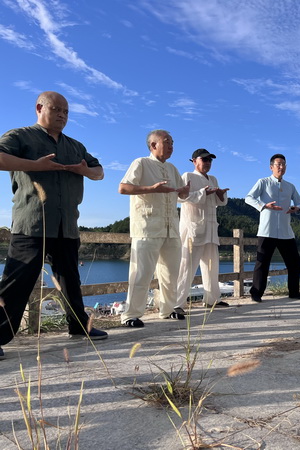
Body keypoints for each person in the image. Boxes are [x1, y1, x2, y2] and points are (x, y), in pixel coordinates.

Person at [0, 91, 107, 360]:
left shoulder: (76, 146)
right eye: (56, 109)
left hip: (67, 224)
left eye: (66, 111)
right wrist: (34, 165)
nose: (62, 115)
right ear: (39, 108)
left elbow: (99, 172)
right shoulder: (20, 136)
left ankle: (80, 326)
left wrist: (84, 170)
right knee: (17, 282)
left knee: (70, 279)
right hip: (32, 223)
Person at [118, 130, 190, 327]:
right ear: (153, 145)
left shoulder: (173, 169)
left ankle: (168, 309)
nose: (171, 146)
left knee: (171, 273)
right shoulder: (141, 163)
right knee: (141, 273)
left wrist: (184, 192)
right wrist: (151, 189)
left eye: (172, 143)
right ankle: (130, 315)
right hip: (147, 227)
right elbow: (123, 188)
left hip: (171, 227)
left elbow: (181, 196)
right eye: (167, 142)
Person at [245, 154, 300, 303]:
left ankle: (294, 292)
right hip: (267, 230)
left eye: (283, 164)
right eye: (278, 164)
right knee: (262, 263)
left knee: (294, 261)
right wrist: (264, 205)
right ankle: (256, 293)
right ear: (271, 167)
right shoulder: (263, 182)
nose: (281, 167)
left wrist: (297, 208)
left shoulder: (290, 186)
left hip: (286, 231)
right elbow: (249, 198)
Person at [175, 149, 229, 311]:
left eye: (210, 160)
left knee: (212, 266)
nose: (207, 162)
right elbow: (179, 197)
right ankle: (177, 303)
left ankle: (212, 299)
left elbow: (220, 202)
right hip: (193, 228)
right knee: (187, 266)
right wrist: (202, 193)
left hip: (211, 228)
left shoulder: (213, 179)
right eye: (204, 159)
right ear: (194, 161)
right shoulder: (187, 176)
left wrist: (220, 194)